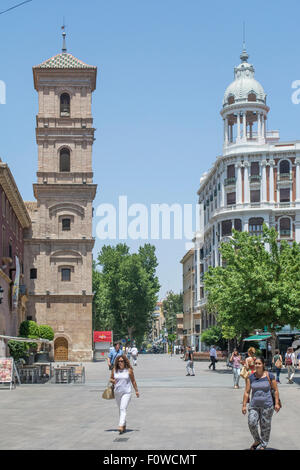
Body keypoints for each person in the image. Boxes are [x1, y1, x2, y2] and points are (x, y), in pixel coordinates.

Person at [242, 356, 280, 450]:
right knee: (252, 422)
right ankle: (257, 440)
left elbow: (275, 390)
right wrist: (244, 405)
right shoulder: (251, 377)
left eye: (259, 363)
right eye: (256, 363)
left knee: (265, 426)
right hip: (254, 405)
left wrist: (276, 403)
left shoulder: (269, 376)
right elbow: (247, 392)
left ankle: (263, 444)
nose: (257, 365)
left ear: (263, 365)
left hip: (267, 406)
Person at [110, 355, 139, 434]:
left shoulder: (129, 370)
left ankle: (120, 425)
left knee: (123, 408)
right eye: (119, 361)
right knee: (121, 409)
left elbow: (133, 381)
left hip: (127, 392)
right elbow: (111, 378)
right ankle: (124, 424)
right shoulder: (114, 370)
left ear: (125, 362)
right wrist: (113, 381)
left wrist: (136, 391)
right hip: (117, 393)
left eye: (122, 361)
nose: (120, 362)